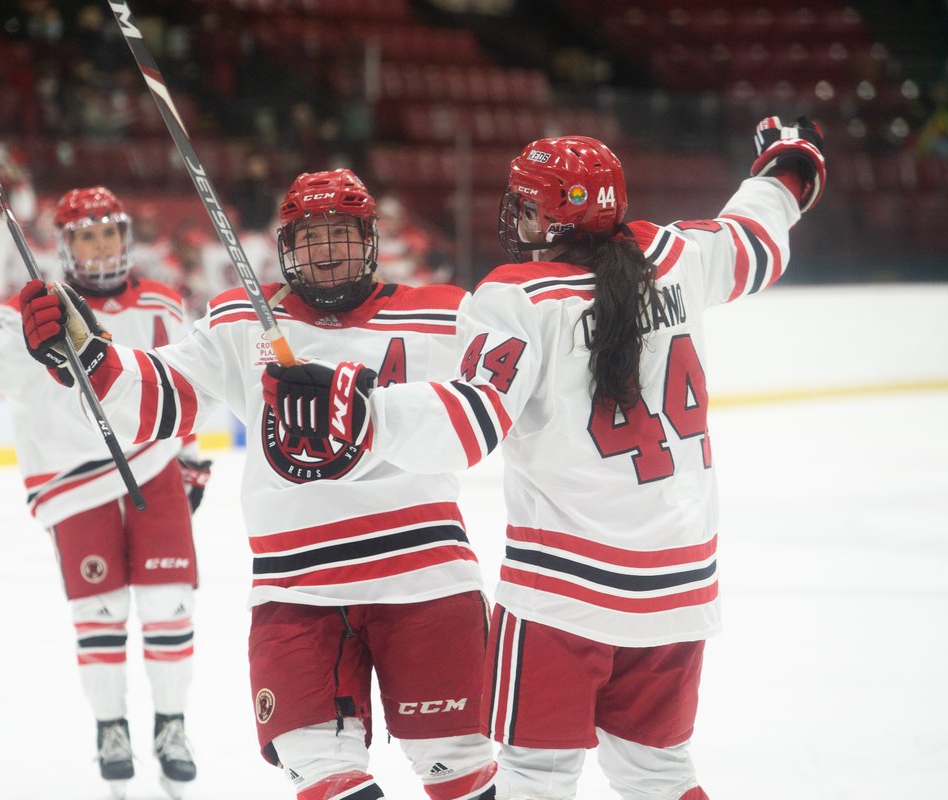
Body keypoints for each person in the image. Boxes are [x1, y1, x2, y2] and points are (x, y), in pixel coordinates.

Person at [260, 119, 827, 799]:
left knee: (535, 778)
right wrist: (789, 164)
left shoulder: (520, 297)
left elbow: (467, 426)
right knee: (659, 774)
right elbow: (757, 238)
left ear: (554, 218)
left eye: (527, 206)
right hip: (681, 584)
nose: (517, 219)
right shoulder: (677, 254)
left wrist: (356, 408)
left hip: (565, 591)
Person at [18, 169, 498, 800]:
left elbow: (488, 420)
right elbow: (159, 402)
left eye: (342, 236)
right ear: (285, 246)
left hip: (426, 580)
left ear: (372, 241)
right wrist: (88, 358)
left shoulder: (445, 315)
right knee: (322, 774)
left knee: (457, 771)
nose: (327, 253)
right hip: (296, 588)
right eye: (311, 237)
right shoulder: (243, 319)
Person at [0, 186, 208, 800]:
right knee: (100, 611)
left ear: (126, 237)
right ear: (65, 246)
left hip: (153, 468)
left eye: (109, 232)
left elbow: (187, 382)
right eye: (86, 235)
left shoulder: (164, 304)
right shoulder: (30, 311)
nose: (100, 246)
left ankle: (172, 726)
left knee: (170, 601)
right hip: (72, 486)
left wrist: (193, 461)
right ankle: (111, 729)